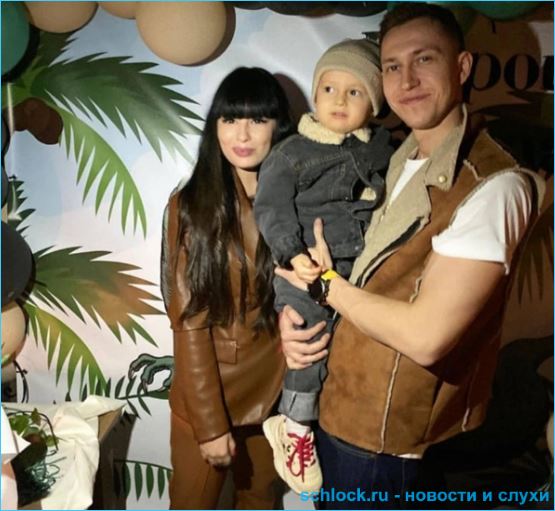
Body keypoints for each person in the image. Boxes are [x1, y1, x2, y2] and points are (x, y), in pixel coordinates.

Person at [277, 3, 545, 509]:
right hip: (340, 412)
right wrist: (301, 326)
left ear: (461, 67)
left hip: (388, 447)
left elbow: (427, 337)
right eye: (393, 66)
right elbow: (370, 283)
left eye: (424, 59)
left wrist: (324, 286)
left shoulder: (494, 184)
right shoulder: (397, 157)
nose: (407, 80)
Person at [254, 38, 393, 494]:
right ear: (315, 94)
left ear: (374, 103)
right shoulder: (293, 152)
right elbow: (271, 208)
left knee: (348, 349)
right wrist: (292, 253)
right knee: (308, 332)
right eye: (329, 89)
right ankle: (294, 424)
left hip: (358, 271)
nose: (339, 101)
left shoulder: (383, 150)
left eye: (355, 92)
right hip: (304, 270)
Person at [161, 67, 294, 510]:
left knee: (260, 501)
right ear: (214, 126)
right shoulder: (191, 206)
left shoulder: (298, 198)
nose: (242, 134)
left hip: (277, 395)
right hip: (213, 392)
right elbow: (189, 323)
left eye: (258, 119)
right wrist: (210, 425)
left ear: (278, 126)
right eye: (230, 118)